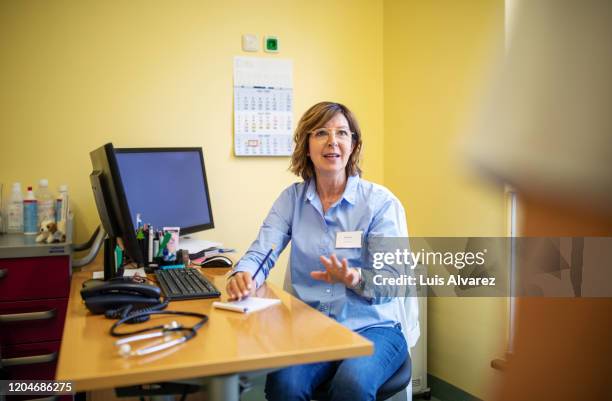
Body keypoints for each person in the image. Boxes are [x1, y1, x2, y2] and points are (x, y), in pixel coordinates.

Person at [226, 101, 419, 401]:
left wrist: (355, 278)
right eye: (321, 133)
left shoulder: (380, 203)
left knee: (351, 384)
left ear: (353, 145)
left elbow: (393, 281)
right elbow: (262, 250)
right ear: (306, 146)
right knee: (284, 385)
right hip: (311, 328)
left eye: (342, 133)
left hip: (374, 327)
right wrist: (244, 275)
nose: (333, 142)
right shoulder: (291, 200)